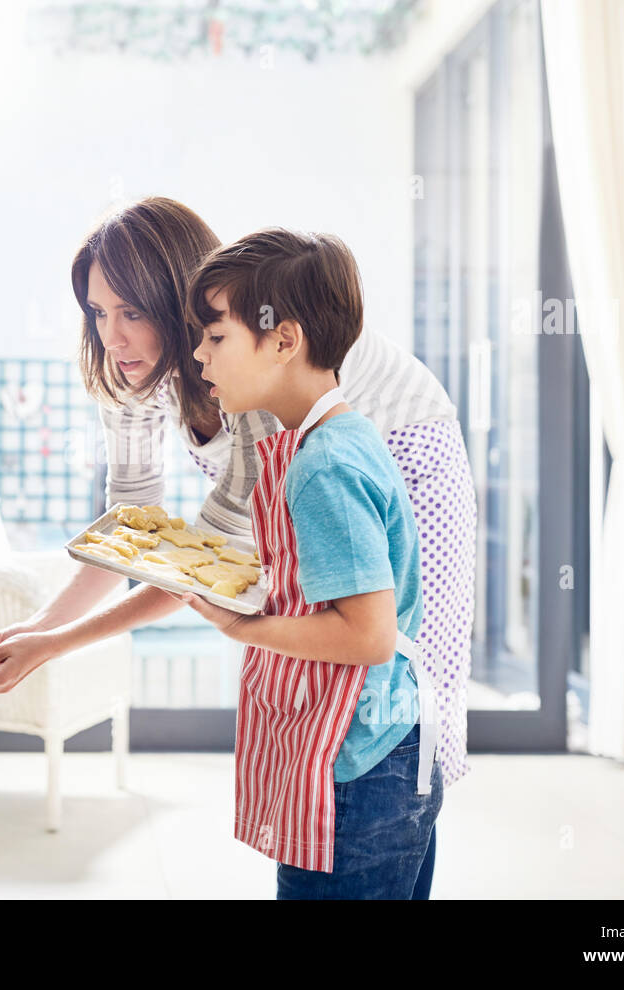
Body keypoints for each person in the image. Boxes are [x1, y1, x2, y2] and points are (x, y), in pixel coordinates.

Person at [0, 198, 476, 806]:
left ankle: (390, 820)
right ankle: (353, 819)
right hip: (314, 477)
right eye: (97, 312)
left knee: (399, 677)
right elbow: (133, 533)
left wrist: (55, 645)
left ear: (180, 305)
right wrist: (39, 627)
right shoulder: (131, 372)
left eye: (131, 311)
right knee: (331, 672)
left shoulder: (253, 369)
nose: (111, 336)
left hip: (408, 457)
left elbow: (200, 566)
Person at [175, 226, 440, 898]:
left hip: (357, 772)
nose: (199, 356)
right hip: (389, 752)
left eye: (216, 336)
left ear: (283, 340)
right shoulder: (337, 438)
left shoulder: (322, 465)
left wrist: (243, 627)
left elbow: (367, 634)